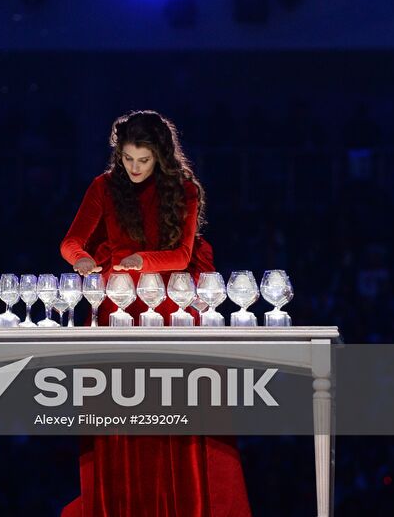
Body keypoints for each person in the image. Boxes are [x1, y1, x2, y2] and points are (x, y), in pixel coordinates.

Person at [60, 109, 252, 517]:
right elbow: (71, 241)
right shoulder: (104, 186)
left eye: (143, 161)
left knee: (175, 413)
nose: (134, 168)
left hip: (172, 298)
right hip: (120, 298)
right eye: (128, 159)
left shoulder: (184, 189)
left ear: (160, 157)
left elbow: (182, 256)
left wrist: (136, 261)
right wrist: (80, 258)